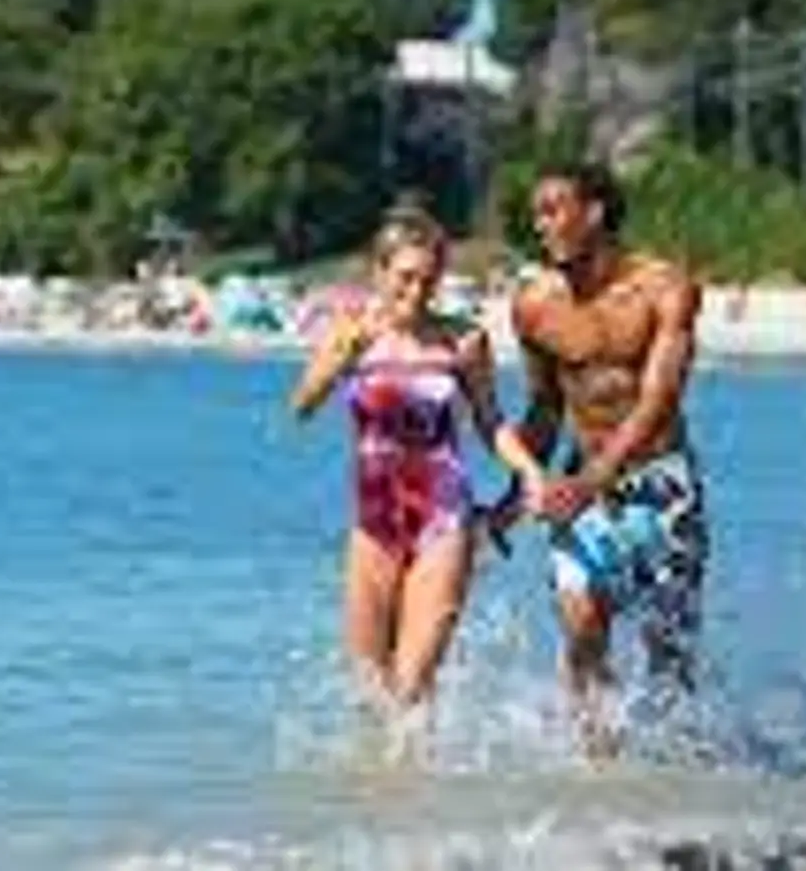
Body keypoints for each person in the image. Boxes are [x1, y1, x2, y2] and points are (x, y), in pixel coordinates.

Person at [290, 203, 544, 731]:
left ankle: (411, 794)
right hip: (374, 525)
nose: (417, 291)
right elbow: (302, 407)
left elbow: (491, 423)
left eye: (429, 279)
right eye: (405, 277)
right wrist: (338, 363)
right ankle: (387, 808)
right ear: (378, 273)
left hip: (444, 523)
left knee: (411, 691)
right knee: (368, 694)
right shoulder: (350, 333)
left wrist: (530, 474)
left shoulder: (464, 341)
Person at [499, 162, 708, 751]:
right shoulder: (534, 304)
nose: (540, 225)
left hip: (663, 488)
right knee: (583, 627)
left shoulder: (665, 289)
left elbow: (658, 401)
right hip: (579, 485)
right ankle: (601, 773)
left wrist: (594, 479)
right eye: (536, 212)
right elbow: (544, 408)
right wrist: (516, 493)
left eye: (552, 209)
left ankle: (676, 776)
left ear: (593, 212)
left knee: (669, 655)